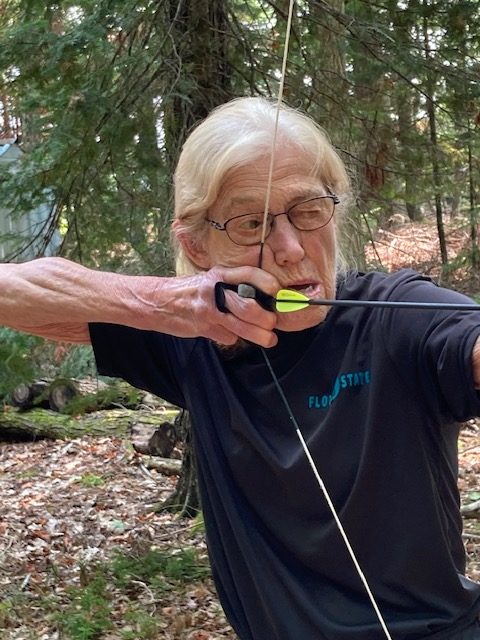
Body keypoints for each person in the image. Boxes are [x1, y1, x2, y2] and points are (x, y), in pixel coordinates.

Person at [2, 97, 480, 640]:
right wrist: (160, 303)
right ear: (196, 244)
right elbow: (12, 293)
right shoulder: (192, 333)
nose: (291, 248)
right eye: (251, 223)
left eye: (308, 210)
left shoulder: (399, 317)